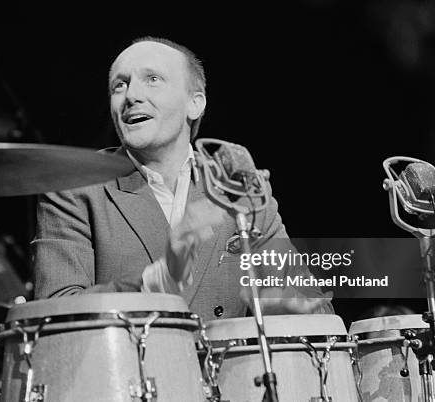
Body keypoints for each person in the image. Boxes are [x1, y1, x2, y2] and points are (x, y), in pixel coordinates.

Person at [32, 37, 332, 321]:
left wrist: (285, 304)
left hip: (228, 374)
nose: (132, 95)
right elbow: (57, 311)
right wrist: (159, 279)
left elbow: (316, 313)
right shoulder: (75, 188)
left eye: (153, 79)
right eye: (119, 85)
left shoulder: (237, 188)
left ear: (195, 104)